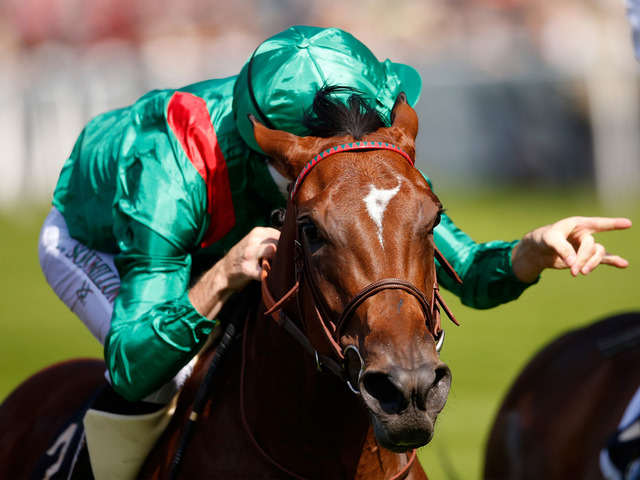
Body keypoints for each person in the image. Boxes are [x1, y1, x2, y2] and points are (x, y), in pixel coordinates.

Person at [38, 25, 631, 478]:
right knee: (173, 376)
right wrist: (220, 277)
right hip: (112, 244)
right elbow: (131, 358)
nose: (350, 155)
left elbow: (469, 272)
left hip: (255, 231)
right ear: (277, 150)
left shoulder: (358, 144)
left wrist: (530, 250)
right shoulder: (169, 164)